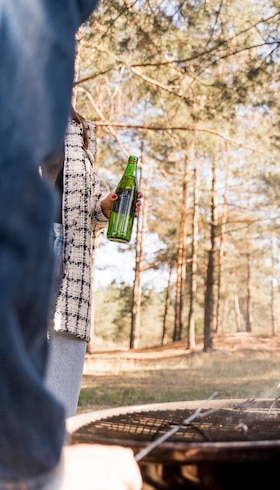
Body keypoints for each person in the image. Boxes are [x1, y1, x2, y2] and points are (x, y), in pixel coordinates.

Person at [0, 1, 141, 489]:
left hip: (70, 277)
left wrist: (107, 207)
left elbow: (78, 206)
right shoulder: (19, 99)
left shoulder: (80, 129)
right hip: (24, 267)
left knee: (58, 409)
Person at [43, 107, 142, 418]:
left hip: (70, 249)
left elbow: (89, 201)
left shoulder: (82, 127)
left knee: (64, 348)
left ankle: (54, 449)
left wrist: (107, 207)